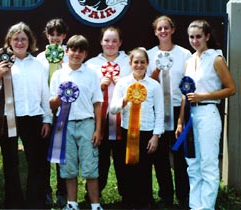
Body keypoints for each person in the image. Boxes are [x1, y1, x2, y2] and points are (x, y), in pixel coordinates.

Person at [0, 22, 52, 209]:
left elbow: (44, 94)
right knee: (11, 162)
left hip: (33, 118)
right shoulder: (0, 63)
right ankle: (14, 202)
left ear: (30, 41)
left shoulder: (38, 65)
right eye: (16, 39)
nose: (20, 42)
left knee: (37, 162)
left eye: (23, 39)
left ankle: (35, 201)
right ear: (9, 41)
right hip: (8, 118)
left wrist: (47, 119)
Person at [175, 19, 236, 210]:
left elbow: (231, 89)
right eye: (191, 37)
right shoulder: (189, 61)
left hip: (208, 112)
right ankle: (195, 206)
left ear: (207, 36)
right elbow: (185, 94)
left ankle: (207, 207)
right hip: (190, 116)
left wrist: (204, 95)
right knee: (193, 164)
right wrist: (179, 121)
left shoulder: (216, 59)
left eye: (198, 36)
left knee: (208, 164)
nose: (194, 40)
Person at [49, 35, 103, 210]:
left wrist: (98, 129)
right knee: (68, 166)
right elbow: (51, 104)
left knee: (90, 166)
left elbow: (97, 103)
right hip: (65, 125)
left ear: (85, 54)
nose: (76, 54)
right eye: (73, 50)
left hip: (87, 123)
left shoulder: (92, 74)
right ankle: (72, 203)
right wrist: (60, 96)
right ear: (67, 51)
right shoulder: (58, 74)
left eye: (81, 51)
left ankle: (95, 204)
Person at [110, 47, 164, 209]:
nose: (139, 65)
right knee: (127, 167)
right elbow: (113, 109)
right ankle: (128, 199)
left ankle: (144, 200)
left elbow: (160, 112)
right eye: (136, 62)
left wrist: (156, 136)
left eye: (142, 62)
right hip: (128, 131)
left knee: (144, 168)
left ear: (147, 64)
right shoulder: (122, 83)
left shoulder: (154, 86)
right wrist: (125, 100)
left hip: (147, 131)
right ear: (130, 63)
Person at [147, 15, 192, 208]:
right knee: (160, 156)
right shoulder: (149, 54)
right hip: (158, 111)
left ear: (173, 30)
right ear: (155, 32)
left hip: (179, 109)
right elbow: (146, 83)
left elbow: (189, 85)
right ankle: (165, 194)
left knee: (181, 155)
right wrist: (157, 70)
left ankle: (184, 195)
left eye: (166, 28)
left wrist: (182, 116)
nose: (163, 31)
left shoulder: (184, 54)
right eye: (159, 29)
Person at [85, 26, 131, 199]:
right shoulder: (91, 65)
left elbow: (138, 88)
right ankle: (94, 195)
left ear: (120, 42)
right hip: (100, 120)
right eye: (107, 40)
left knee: (122, 159)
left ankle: (127, 194)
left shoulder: (129, 62)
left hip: (124, 119)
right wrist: (100, 86)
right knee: (100, 159)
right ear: (101, 42)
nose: (110, 44)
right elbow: (85, 92)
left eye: (114, 41)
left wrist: (122, 84)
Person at [36, 18, 68, 208]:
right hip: (44, 111)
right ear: (47, 35)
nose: (55, 38)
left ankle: (62, 192)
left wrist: (64, 62)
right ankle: (45, 191)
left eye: (59, 34)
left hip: (65, 110)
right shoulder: (39, 58)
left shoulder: (70, 55)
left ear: (64, 36)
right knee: (43, 153)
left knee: (62, 153)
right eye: (52, 34)